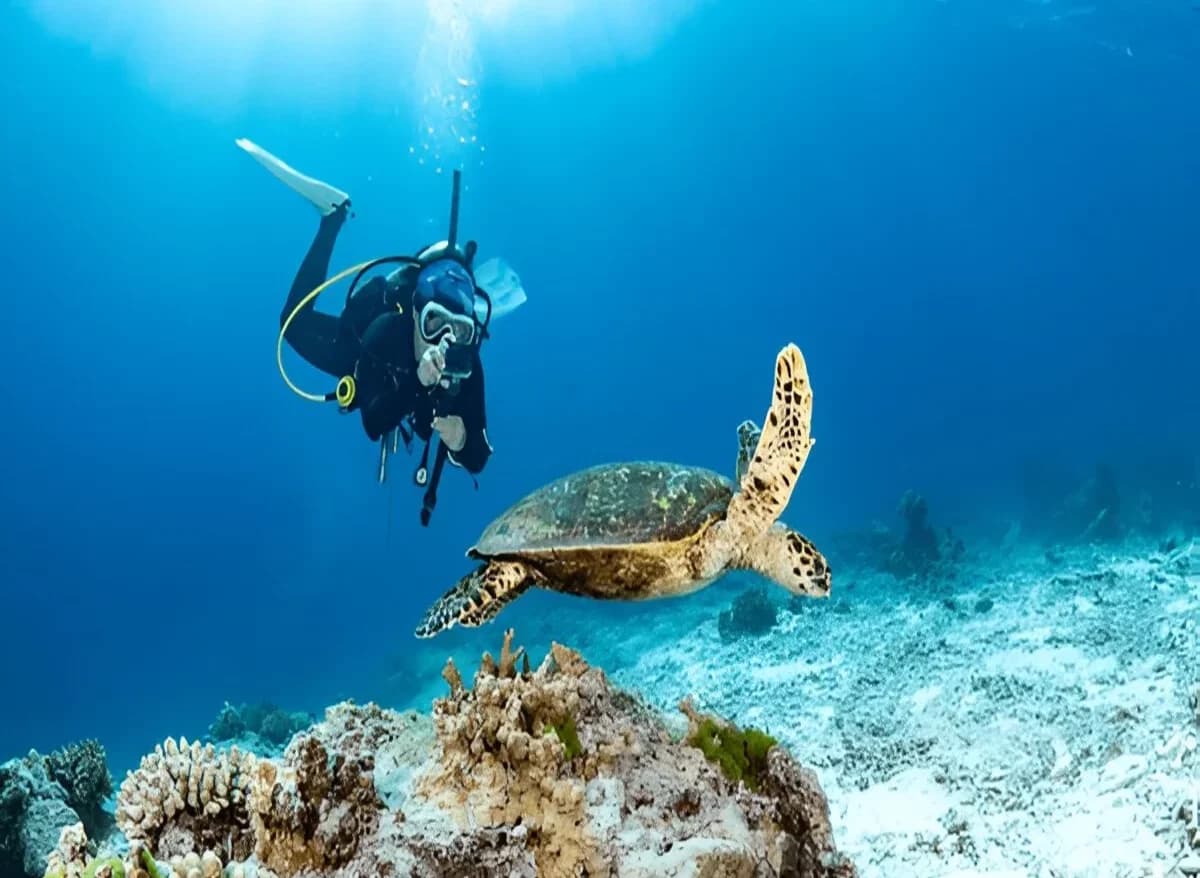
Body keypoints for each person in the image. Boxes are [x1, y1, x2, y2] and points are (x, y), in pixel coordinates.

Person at [238, 138, 526, 524]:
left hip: (406, 392)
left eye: (458, 329)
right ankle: (333, 217)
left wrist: (460, 439)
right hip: (373, 363)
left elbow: (479, 457)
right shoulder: (388, 330)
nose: (445, 339)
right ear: (416, 312)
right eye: (434, 322)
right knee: (294, 323)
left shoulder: (465, 363)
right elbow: (374, 423)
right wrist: (417, 382)